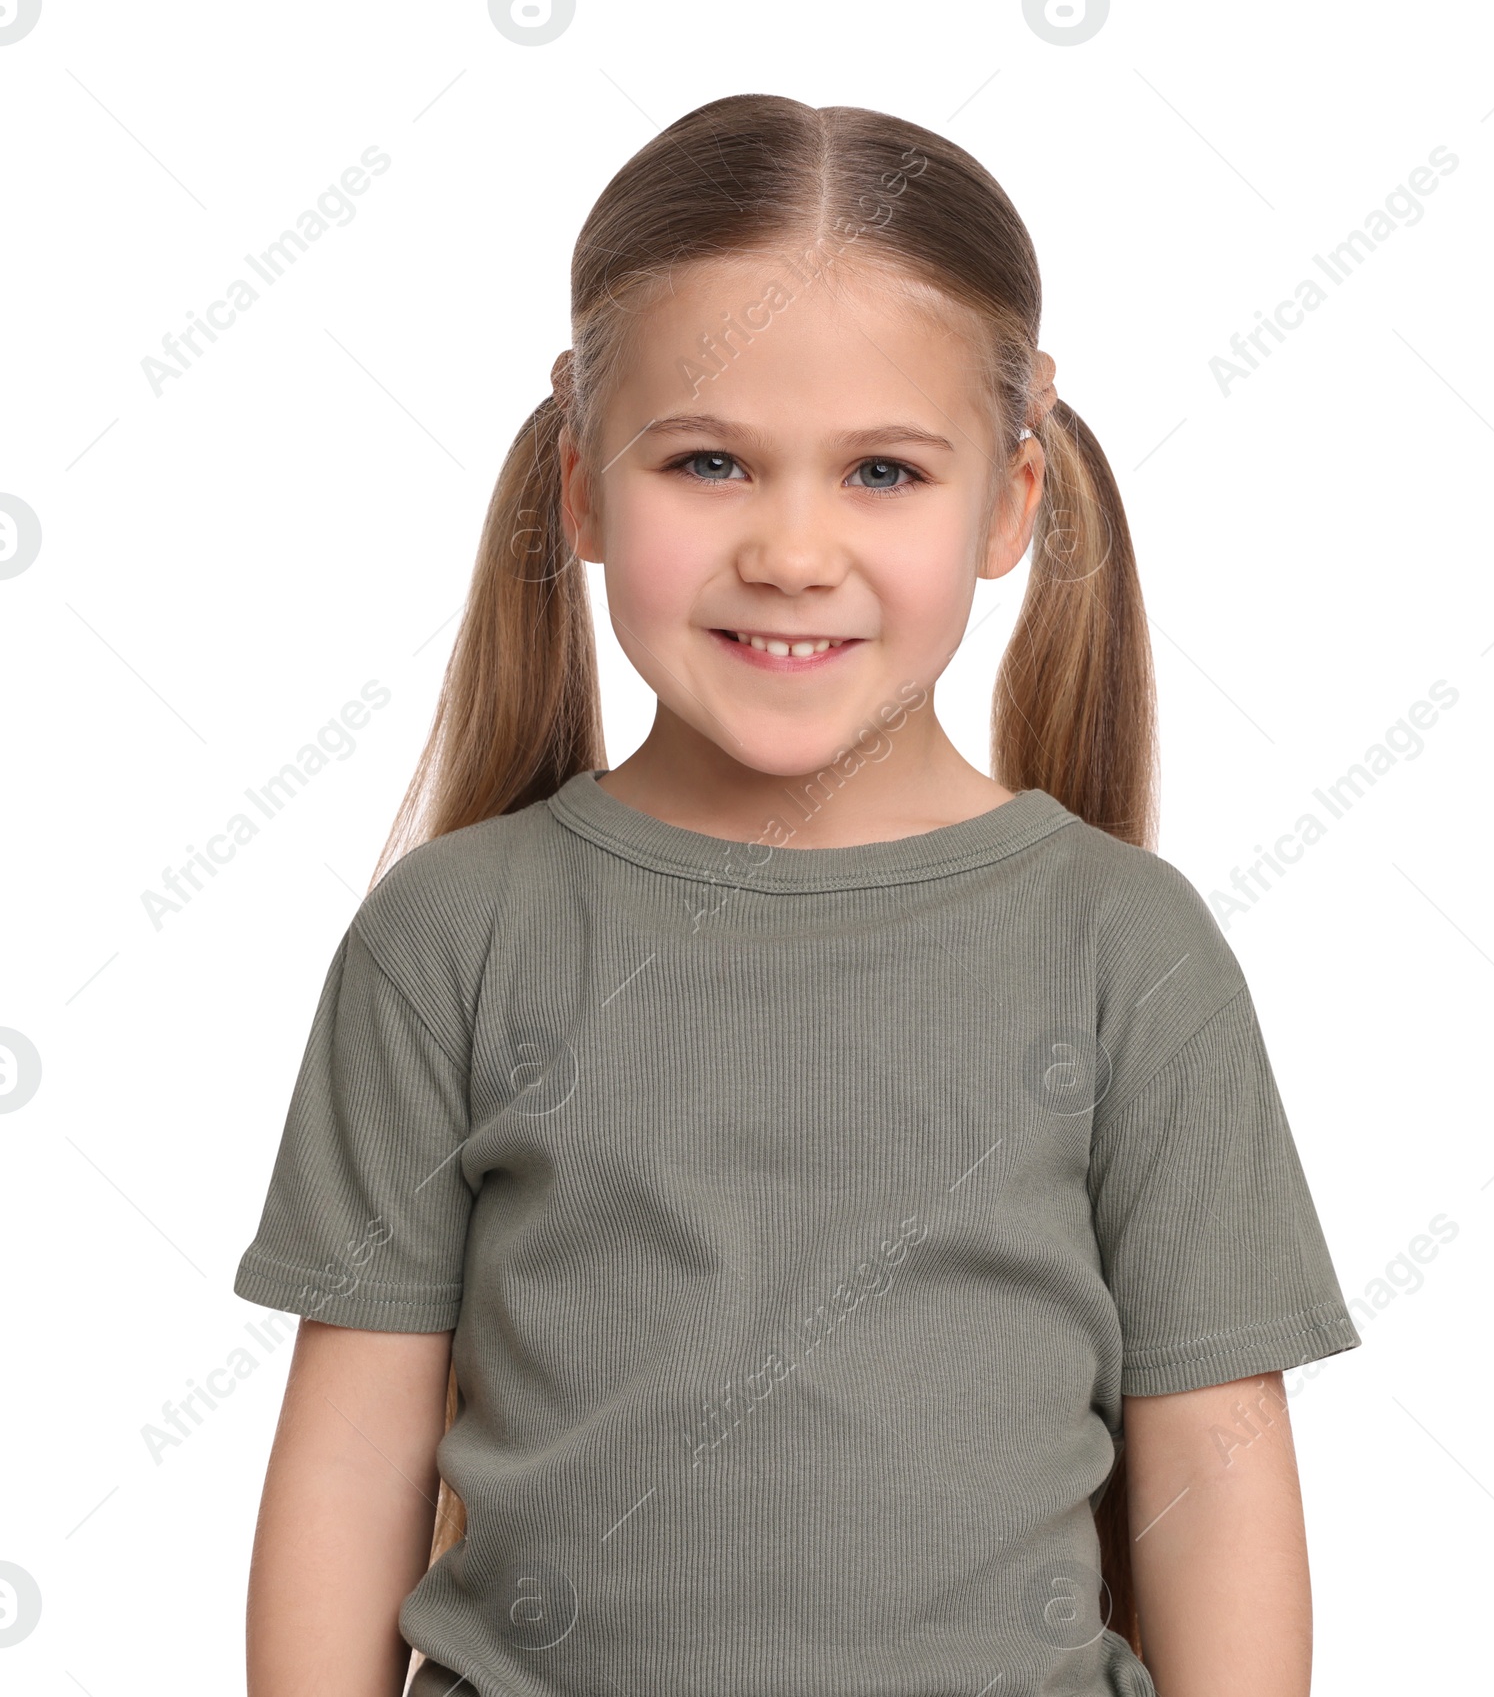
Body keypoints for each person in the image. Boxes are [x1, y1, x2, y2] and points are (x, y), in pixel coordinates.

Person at [234, 92, 1361, 1697]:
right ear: (579, 487)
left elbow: (1220, 1476)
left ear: (1011, 504)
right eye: (708, 461)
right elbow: (349, 1466)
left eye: (884, 472)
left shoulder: (1130, 952)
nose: (791, 548)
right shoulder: (450, 939)